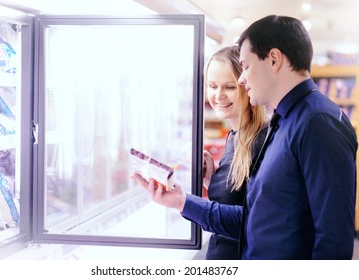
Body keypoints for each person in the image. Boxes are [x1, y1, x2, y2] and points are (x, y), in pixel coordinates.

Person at [133, 15, 358, 260]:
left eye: (246, 67)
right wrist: (188, 197)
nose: (242, 79)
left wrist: (184, 202)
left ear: (273, 60)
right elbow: (259, 218)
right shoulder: (284, 122)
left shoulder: (317, 123)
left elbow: (333, 242)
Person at [201, 46, 267, 259]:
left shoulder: (262, 140)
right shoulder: (234, 136)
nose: (218, 95)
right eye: (212, 86)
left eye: (228, 87)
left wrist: (182, 202)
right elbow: (237, 198)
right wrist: (212, 180)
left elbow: (254, 219)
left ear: (247, 86)